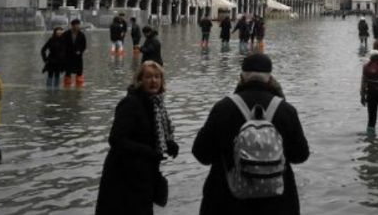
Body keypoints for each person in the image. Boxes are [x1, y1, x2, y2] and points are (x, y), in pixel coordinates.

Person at [192, 53, 310, 214]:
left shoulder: (223, 108)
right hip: (278, 204)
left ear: (241, 77)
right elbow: (301, 155)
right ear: (270, 78)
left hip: (226, 202)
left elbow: (201, 154)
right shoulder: (286, 110)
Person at [96, 60, 178, 214]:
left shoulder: (157, 105)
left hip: (143, 176)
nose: (153, 81)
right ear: (140, 80)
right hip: (123, 178)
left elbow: (154, 134)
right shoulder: (130, 103)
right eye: (148, 77)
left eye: (157, 77)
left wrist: (169, 144)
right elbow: (116, 139)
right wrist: (148, 152)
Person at [62, 19, 87, 87]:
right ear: (72, 25)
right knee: (68, 72)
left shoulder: (81, 35)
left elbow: (84, 45)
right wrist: (64, 52)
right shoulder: (66, 34)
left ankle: (79, 88)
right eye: (75, 25)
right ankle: (67, 87)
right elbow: (62, 44)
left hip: (78, 56)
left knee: (79, 72)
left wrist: (80, 51)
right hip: (68, 56)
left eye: (78, 25)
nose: (77, 26)